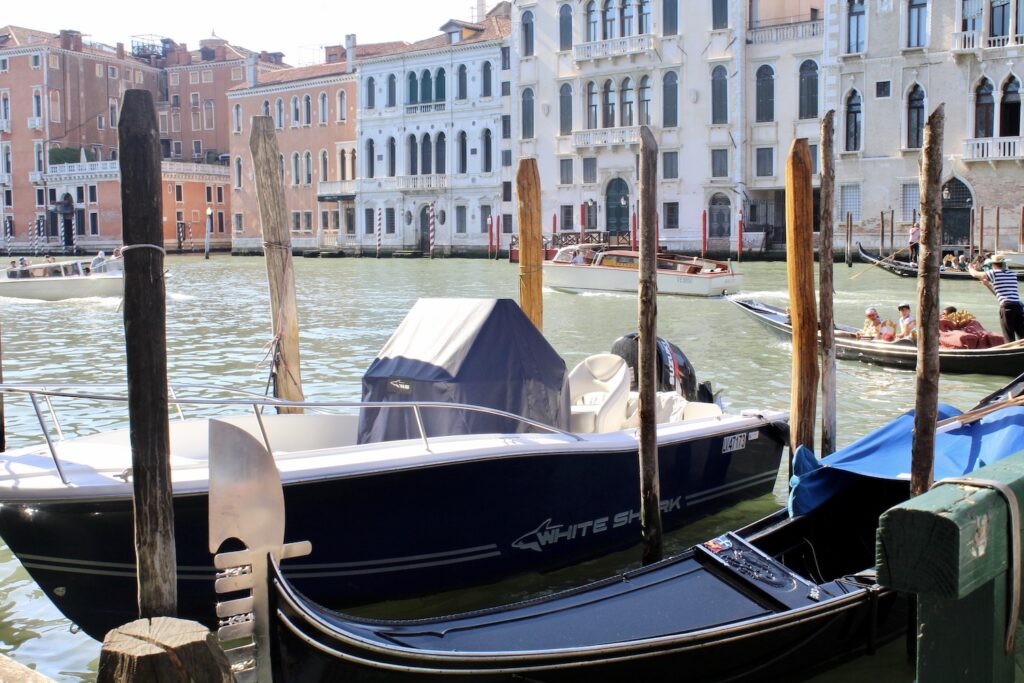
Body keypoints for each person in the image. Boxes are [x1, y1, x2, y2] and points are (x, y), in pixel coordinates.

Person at [969, 252, 1024, 342]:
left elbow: (975, 274)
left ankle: (1010, 354)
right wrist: (988, 285)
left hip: (1006, 308)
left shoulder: (994, 273)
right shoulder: (1012, 274)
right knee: (1022, 335)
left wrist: (970, 268)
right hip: (1017, 306)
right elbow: (1000, 293)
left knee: (1008, 336)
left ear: (993, 264)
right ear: (1003, 264)